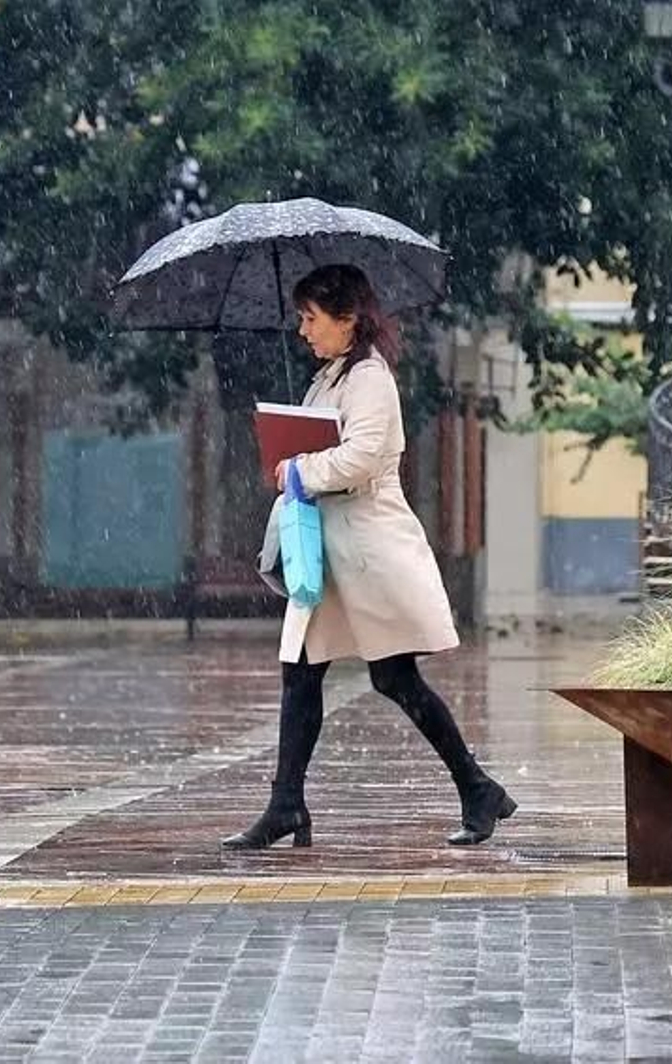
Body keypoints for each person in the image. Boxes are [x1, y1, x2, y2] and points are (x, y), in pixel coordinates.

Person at [221, 263, 516, 850]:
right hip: (332, 550)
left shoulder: (370, 378)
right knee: (301, 671)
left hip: (369, 549)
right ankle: (286, 804)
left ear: (348, 318)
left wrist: (299, 467)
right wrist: (292, 446)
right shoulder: (332, 377)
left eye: (311, 318)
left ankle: (476, 786)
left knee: (394, 677)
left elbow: (359, 458)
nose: (303, 330)